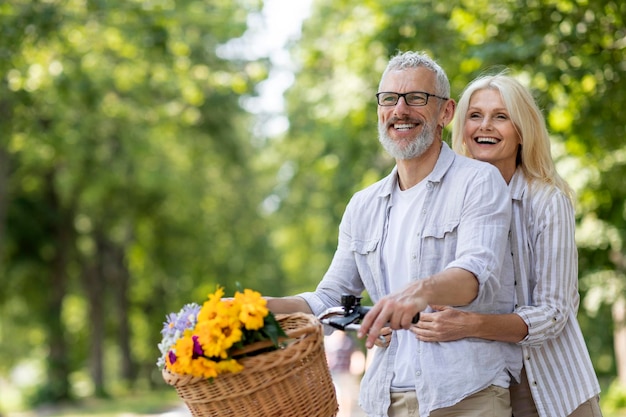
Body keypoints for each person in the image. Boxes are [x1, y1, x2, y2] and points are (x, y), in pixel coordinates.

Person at [266, 51, 521, 417]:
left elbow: (473, 276)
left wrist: (417, 293)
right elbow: (330, 300)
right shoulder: (362, 206)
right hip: (382, 400)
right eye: (389, 99)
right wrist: (265, 307)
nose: (400, 109)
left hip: (466, 396)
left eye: (416, 98)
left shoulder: (478, 181)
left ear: (445, 113)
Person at [411, 73, 602, 417]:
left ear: (522, 129)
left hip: (547, 384)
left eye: (501, 116)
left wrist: (470, 324)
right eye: (475, 115)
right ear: (461, 126)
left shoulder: (546, 201)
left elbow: (555, 312)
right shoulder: (443, 200)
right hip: (475, 386)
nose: (486, 126)